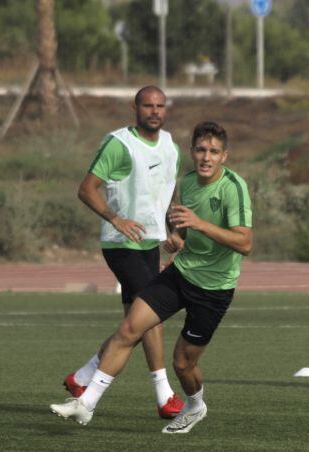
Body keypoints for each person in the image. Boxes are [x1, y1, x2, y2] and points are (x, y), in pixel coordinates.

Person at [50, 121, 252, 434]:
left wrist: (200, 224)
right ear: (192, 152)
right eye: (201, 149)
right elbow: (183, 230)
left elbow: (245, 243)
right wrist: (176, 238)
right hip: (180, 274)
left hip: (213, 289)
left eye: (213, 151)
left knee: (183, 364)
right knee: (130, 326)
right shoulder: (186, 183)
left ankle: (196, 405)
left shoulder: (233, 187)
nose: (206, 157)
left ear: (224, 156)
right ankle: (86, 404)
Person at [63, 85, 184, 419]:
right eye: (148, 105)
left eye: (160, 105)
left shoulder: (171, 145)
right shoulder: (120, 144)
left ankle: (83, 377)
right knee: (152, 314)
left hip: (149, 245)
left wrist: (172, 231)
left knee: (135, 322)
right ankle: (164, 396)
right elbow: (86, 189)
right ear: (136, 107)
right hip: (121, 246)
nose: (155, 111)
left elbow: (169, 193)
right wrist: (115, 218)